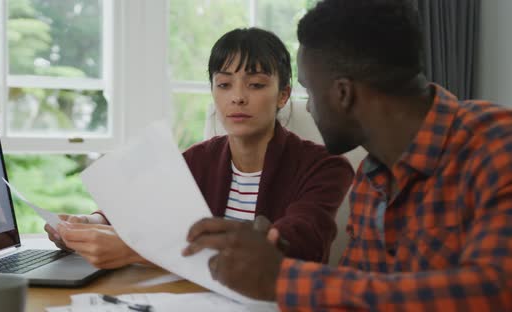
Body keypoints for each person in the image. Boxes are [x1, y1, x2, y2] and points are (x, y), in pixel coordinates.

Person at [182, 0, 512, 310]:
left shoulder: (496, 143)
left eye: (309, 90)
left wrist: (281, 278)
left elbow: (496, 290)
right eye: (224, 84)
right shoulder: (372, 183)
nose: (308, 107)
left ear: (343, 93)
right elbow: (351, 294)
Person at [46, 27, 354, 268]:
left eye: (256, 84)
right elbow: (144, 205)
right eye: (224, 84)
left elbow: (295, 247)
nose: (237, 97)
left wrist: (134, 250)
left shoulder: (326, 167)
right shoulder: (198, 159)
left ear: (283, 95)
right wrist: (90, 224)